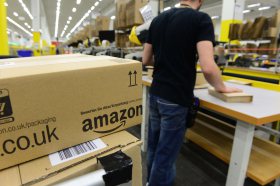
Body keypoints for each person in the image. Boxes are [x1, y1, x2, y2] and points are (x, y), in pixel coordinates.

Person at [142, 0, 242, 185]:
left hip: (156, 93)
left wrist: (167, 62)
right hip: (176, 96)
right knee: (166, 155)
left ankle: (150, 181)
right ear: (200, 1)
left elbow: (146, 59)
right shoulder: (201, 19)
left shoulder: (157, 20)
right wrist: (222, 87)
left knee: (154, 148)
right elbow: (208, 67)